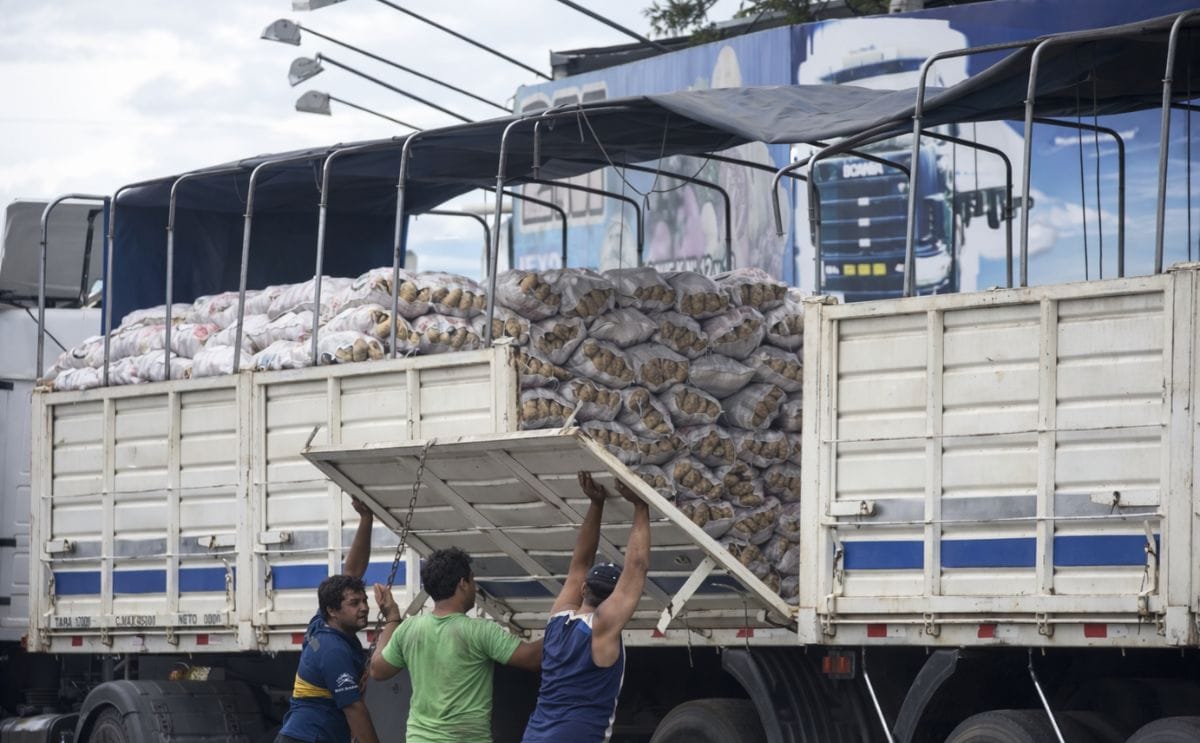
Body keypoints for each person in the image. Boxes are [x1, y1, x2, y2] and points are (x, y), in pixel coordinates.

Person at [521, 472, 651, 743]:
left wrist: (596, 504)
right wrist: (641, 506)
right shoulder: (602, 629)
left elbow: (579, 564)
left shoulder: (558, 619)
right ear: (613, 599)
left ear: (583, 590)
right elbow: (636, 568)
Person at [369, 546, 543, 742]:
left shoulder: (409, 628)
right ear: (463, 583)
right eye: (473, 580)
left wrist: (392, 617)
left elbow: (377, 670)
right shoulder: (479, 631)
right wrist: (565, 622)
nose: (475, 587)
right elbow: (532, 658)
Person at [277, 497, 389, 743]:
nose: (364, 608)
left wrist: (366, 520)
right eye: (354, 604)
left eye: (364, 601)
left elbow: (351, 573)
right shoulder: (332, 649)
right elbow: (354, 709)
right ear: (333, 610)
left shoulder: (322, 623)